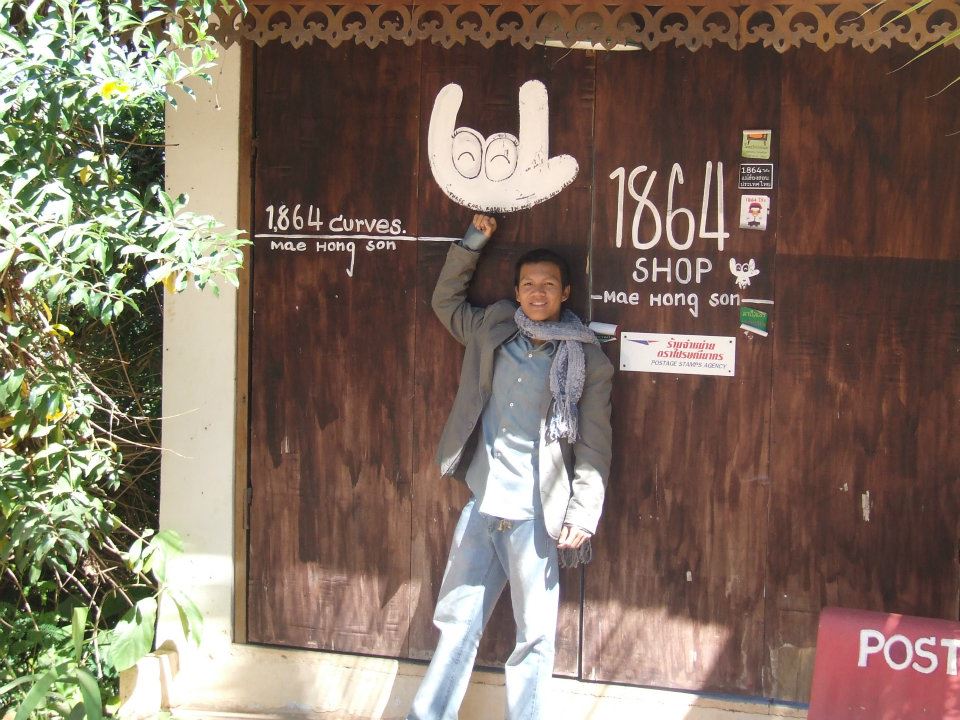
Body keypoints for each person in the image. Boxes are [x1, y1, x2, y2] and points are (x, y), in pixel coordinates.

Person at [407, 213, 614, 720]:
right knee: (456, 622)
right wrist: (472, 242)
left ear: (565, 292)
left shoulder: (588, 362)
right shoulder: (494, 329)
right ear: (517, 292)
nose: (537, 293)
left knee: (534, 638)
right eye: (528, 285)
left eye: (548, 285)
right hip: (484, 502)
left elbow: (594, 445)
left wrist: (583, 511)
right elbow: (445, 302)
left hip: (536, 517)